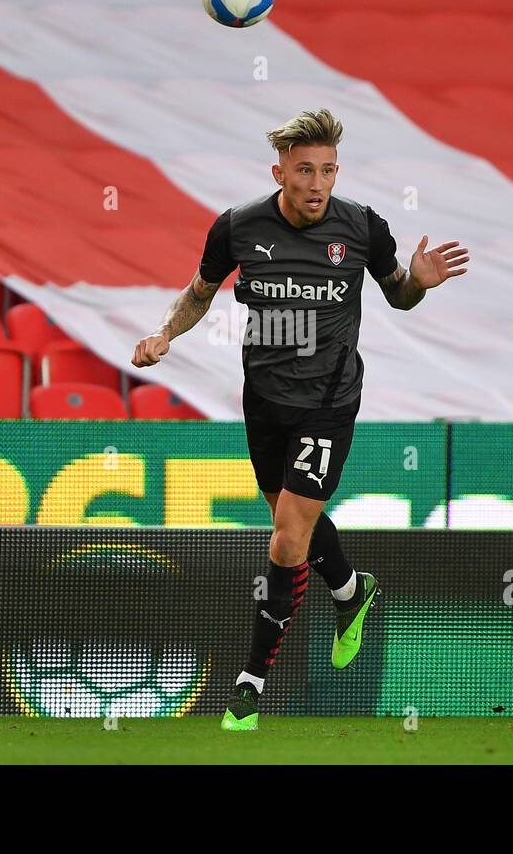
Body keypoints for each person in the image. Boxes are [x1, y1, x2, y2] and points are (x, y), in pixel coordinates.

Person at [131, 108, 468, 730]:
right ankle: (349, 589)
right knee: (293, 525)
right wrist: (163, 334)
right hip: (263, 401)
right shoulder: (236, 228)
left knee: (287, 537)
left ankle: (250, 684)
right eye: (307, 170)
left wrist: (418, 284)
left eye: (329, 171)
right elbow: (199, 293)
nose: (319, 183)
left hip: (329, 402)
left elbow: (397, 291)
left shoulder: (363, 227)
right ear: (280, 171)